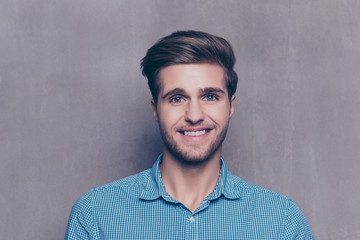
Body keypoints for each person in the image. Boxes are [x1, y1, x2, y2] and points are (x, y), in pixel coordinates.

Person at [65, 30, 314, 239]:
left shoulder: (281, 221)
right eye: (177, 98)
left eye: (210, 97)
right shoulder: (95, 215)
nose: (194, 115)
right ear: (156, 109)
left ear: (231, 105)